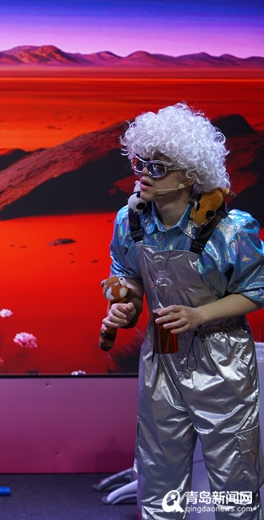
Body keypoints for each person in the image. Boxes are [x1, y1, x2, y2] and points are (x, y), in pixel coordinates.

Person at [103, 103, 264, 519]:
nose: (144, 174)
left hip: (223, 361)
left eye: (158, 168)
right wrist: (126, 305)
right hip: (163, 354)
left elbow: (257, 288)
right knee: (159, 469)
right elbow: (127, 275)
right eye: (141, 163)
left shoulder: (231, 229)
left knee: (234, 476)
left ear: (190, 175)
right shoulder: (131, 221)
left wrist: (200, 315)